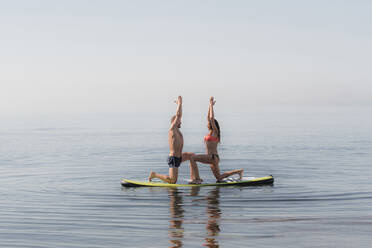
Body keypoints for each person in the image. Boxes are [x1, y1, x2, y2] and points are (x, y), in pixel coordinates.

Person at [148, 96, 202, 184]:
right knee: (172, 181)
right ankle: (154, 175)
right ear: (174, 122)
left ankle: (194, 178)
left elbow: (179, 116)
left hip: (179, 156)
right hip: (173, 158)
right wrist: (180, 104)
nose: (180, 122)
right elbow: (178, 115)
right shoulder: (172, 129)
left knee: (192, 155)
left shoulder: (177, 130)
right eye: (179, 121)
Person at [190, 97, 243, 182]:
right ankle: (238, 171)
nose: (207, 123)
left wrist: (211, 105)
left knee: (192, 158)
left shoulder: (215, 131)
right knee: (219, 177)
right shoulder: (210, 132)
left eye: (209, 123)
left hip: (212, 157)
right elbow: (208, 117)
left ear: (212, 124)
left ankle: (197, 178)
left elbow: (211, 118)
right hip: (212, 158)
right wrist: (209, 105)